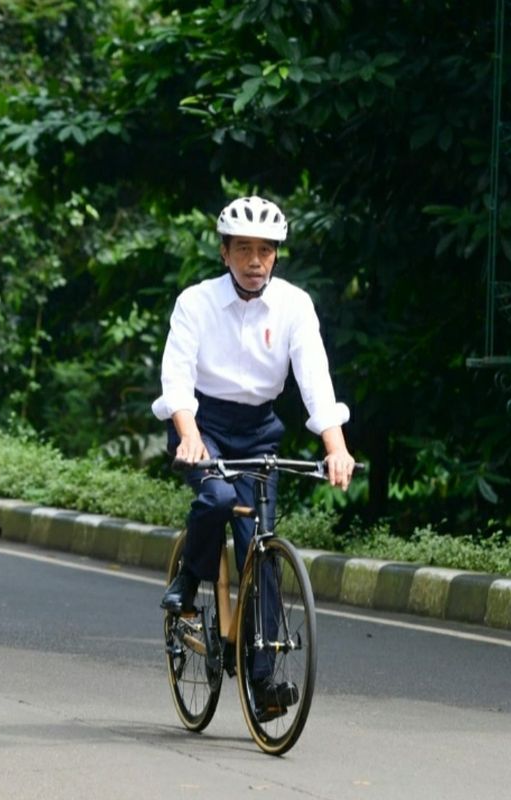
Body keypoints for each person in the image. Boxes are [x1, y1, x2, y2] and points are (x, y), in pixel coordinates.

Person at [151, 195, 355, 716]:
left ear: (276, 256)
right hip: (204, 424)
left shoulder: (295, 306)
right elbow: (176, 378)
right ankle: (188, 582)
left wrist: (336, 448)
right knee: (216, 498)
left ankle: (263, 683)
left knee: (259, 546)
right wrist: (190, 435)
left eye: (265, 250)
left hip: (260, 431)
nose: (255, 260)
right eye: (244, 248)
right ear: (224, 253)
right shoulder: (195, 302)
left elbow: (315, 378)